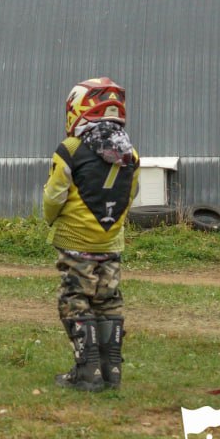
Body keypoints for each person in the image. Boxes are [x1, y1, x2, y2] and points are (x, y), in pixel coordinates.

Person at [42, 78, 140, 391]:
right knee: (108, 301)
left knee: (75, 300)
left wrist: (51, 219)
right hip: (110, 241)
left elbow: (54, 196)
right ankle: (112, 371)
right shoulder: (131, 153)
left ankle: (87, 372)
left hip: (75, 241)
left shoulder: (70, 149)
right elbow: (131, 193)